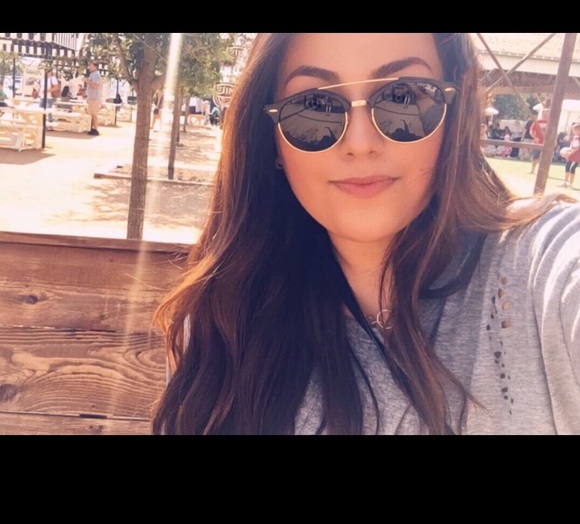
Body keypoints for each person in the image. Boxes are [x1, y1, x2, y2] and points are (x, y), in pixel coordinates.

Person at [152, 33, 580, 436]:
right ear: (271, 142)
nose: (360, 142)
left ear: (457, 111)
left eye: (402, 96)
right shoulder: (220, 327)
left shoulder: (542, 271)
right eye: (314, 106)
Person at [560, 123, 580, 189]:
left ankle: (570, 183)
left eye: (573, 130)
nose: (572, 131)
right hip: (573, 156)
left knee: (571, 168)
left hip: (575, 157)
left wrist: (569, 153)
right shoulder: (576, 137)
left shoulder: (577, 137)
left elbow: (577, 147)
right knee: (568, 167)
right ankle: (565, 182)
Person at [85, 62, 102, 136]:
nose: (90, 67)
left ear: (95, 67)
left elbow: (95, 86)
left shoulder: (96, 75)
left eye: (91, 66)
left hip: (94, 97)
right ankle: (92, 128)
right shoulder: (92, 74)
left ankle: (95, 129)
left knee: (94, 114)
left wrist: (87, 81)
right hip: (91, 97)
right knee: (91, 114)